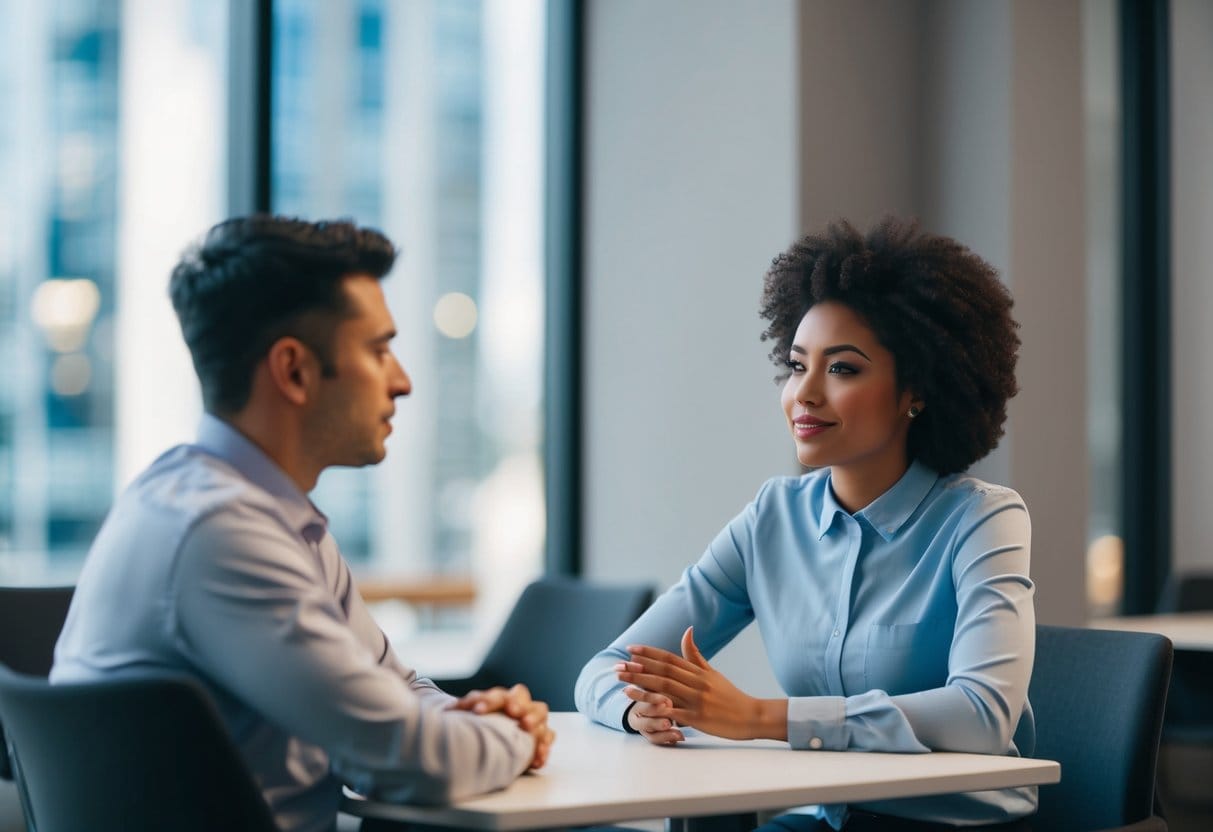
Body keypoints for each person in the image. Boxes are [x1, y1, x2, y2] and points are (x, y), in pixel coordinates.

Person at [51, 215, 554, 832]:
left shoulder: (256, 512)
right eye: (378, 350)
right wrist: (510, 736)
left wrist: (474, 716)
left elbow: (396, 688)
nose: (402, 381)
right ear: (293, 371)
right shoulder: (220, 534)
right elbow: (406, 759)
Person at [575, 218, 1034, 832]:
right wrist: (642, 712)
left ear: (914, 391)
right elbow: (605, 668)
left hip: (953, 824)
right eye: (796, 366)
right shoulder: (772, 518)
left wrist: (762, 717)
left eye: (842, 369)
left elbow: (982, 714)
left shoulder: (982, 519)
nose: (804, 394)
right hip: (828, 819)